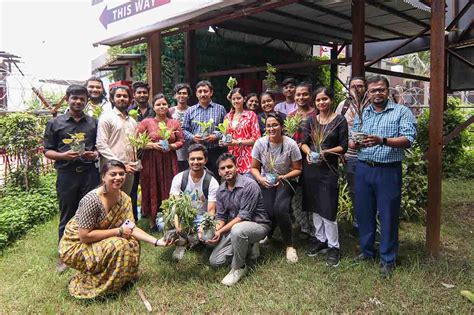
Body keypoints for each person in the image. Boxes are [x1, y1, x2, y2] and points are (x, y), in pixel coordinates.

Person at [58, 160, 171, 299]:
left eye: (121, 174)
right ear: (103, 177)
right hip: (76, 246)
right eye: (113, 174)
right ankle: (103, 287)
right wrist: (118, 231)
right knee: (119, 244)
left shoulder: (125, 199)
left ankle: (121, 279)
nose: (118, 177)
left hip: (96, 239)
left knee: (132, 242)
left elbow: (131, 227)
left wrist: (157, 241)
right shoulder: (92, 200)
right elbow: (84, 236)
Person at [349, 75, 416, 278]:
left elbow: (409, 139)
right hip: (363, 168)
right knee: (364, 213)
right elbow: (352, 142)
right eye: (373, 90)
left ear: (388, 91)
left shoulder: (401, 112)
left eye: (381, 89)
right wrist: (357, 143)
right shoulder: (363, 113)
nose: (377, 93)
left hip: (388, 170)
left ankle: (388, 258)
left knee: (388, 215)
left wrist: (382, 140)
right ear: (367, 93)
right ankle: (367, 251)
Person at [44, 84, 100, 272]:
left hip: (89, 174)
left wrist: (95, 154)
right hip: (67, 175)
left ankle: (88, 248)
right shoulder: (56, 123)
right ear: (67, 98)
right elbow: (47, 151)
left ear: (86, 101)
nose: (78, 101)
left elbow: (98, 147)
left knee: (90, 212)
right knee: (67, 214)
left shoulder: (93, 122)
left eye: (82, 99)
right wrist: (62, 156)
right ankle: (64, 255)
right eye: (74, 98)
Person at [301, 87, 348, 267]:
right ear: (315, 102)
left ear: (331, 100)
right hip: (311, 169)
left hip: (328, 169)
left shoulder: (339, 120)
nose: (322, 103)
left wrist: (326, 152)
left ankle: (333, 246)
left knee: (328, 207)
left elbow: (343, 147)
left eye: (325, 99)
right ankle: (320, 240)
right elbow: (304, 143)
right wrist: (308, 153)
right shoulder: (311, 121)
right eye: (318, 100)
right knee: (314, 206)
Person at [207, 153, 271, 286]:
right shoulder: (221, 190)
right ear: (219, 172)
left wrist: (221, 231)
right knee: (215, 261)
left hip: (257, 225)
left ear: (237, 167)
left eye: (230, 166)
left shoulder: (249, 185)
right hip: (235, 228)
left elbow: (243, 217)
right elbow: (221, 216)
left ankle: (239, 268)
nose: (227, 170)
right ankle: (248, 246)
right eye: (223, 168)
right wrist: (215, 230)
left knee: (238, 229)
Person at [251, 113, 302, 263]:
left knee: (280, 209)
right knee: (267, 210)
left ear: (282, 126)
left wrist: (283, 177)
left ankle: (289, 245)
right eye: (268, 125)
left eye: (275, 125)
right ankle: (269, 235)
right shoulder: (260, 143)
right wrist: (260, 179)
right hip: (266, 180)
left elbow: (298, 169)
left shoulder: (290, 144)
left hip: (287, 179)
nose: (271, 128)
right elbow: (254, 167)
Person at [137, 93, 184, 232]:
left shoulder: (174, 123)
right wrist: (152, 146)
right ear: (154, 107)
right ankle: (152, 222)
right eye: (158, 104)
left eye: (164, 104)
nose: (161, 106)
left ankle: (170, 219)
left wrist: (172, 146)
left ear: (168, 106)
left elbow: (181, 140)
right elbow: (137, 142)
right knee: (151, 186)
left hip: (169, 160)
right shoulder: (146, 122)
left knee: (171, 187)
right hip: (151, 161)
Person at [168, 144, 219, 260]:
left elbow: (211, 211)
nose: (196, 162)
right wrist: (177, 225)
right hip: (183, 217)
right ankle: (181, 242)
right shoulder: (179, 178)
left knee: (208, 236)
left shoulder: (212, 182)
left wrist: (202, 226)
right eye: (192, 159)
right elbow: (173, 205)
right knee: (162, 223)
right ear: (188, 160)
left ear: (205, 160)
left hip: (202, 217)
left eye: (199, 158)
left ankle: (195, 239)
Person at [286, 82, 317, 239]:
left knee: (311, 193)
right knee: (297, 195)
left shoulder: (316, 114)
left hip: (311, 159)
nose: (301, 97)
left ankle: (315, 228)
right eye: (298, 94)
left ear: (310, 95)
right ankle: (304, 226)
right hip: (295, 161)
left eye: (305, 94)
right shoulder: (291, 116)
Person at [335, 77, 367, 230]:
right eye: (353, 86)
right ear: (349, 88)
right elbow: (337, 128)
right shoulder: (344, 105)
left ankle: (372, 221)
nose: (356, 89)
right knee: (354, 189)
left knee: (370, 189)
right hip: (350, 155)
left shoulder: (371, 104)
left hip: (371, 154)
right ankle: (357, 222)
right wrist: (341, 150)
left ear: (365, 87)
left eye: (360, 86)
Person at [96, 85, 137, 195]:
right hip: (111, 170)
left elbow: (134, 145)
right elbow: (101, 144)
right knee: (108, 201)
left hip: (129, 170)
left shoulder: (132, 121)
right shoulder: (106, 117)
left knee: (124, 201)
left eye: (125, 96)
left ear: (130, 99)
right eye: (118, 96)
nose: (122, 98)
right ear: (112, 99)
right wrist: (121, 165)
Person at [182, 80, 227, 178]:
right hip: (196, 151)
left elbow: (226, 129)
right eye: (200, 91)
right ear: (196, 94)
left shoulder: (220, 109)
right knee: (196, 177)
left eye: (205, 91)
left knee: (215, 178)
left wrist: (216, 136)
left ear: (211, 92)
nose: (203, 94)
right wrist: (193, 137)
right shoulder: (190, 110)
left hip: (214, 150)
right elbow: (183, 129)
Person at [129, 81, 154, 221]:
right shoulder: (128, 111)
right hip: (133, 155)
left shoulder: (154, 110)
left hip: (150, 155)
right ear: (134, 94)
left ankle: (149, 214)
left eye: (144, 92)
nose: (142, 95)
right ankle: (133, 217)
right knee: (132, 186)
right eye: (139, 92)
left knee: (150, 185)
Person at [220, 88, 261, 176]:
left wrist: (238, 142)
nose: (236, 101)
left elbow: (257, 139)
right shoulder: (227, 117)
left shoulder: (251, 115)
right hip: (232, 160)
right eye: (233, 99)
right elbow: (226, 136)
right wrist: (224, 142)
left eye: (238, 98)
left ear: (244, 99)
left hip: (248, 159)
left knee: (248, 186)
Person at [169, 83, 192, 172]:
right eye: (179, 93)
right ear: (175, 96)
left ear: (188, 96)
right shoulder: (170, 111)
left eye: (184, 93)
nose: (182, 95)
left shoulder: (192, 110)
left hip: (189, 148)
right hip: (174, 150)